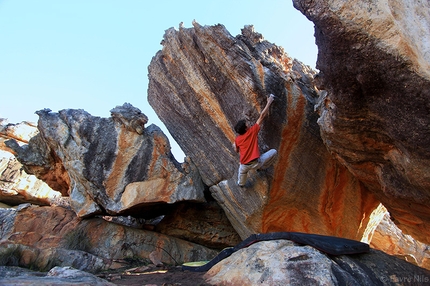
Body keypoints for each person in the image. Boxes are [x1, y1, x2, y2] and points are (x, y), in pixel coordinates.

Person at [234, 94, 278, 187]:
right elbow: (262, 116)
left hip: (244, 165)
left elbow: (237, 150)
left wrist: (235, 146)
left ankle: (240, 184)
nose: (248, 124)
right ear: (246, 129)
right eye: (247, 124)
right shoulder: (252, 131)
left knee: (241, 176)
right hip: (256, 163)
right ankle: (262, 168)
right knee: (274, 152)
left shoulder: (238, 139)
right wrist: (269, 102)